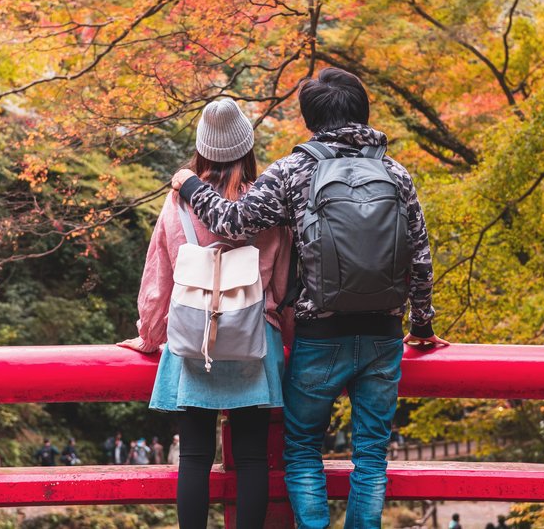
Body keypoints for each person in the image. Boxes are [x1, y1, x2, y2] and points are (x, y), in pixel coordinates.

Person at [172, 68, 447, 529]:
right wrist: (421, 324)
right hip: (383, 335)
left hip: (320, 334)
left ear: (310, 119)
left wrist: (190, 184)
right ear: (362, 111)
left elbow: (233, 222)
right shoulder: (396, 173)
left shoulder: (295, 169)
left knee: (302, 452)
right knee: (372, 458)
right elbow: (419, 256)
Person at [120, 98, 292, 529]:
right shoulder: (265, 205)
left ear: (201, 151)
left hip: (193, 339)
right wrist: (288, 335)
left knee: (194, 457)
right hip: (255, 338)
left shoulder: (178, 206)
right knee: (253, 458)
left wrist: (150, 335)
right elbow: (284, 286)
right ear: (247, 149)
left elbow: (159, 278)